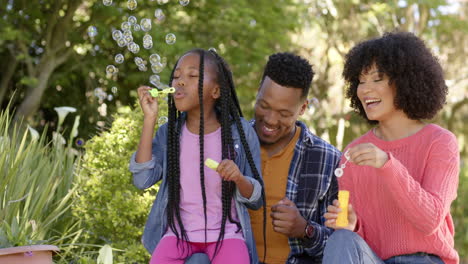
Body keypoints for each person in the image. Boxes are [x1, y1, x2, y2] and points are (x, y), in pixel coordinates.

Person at [323, 31, 460, 264]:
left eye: (377, 79)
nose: (365, 89)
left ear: (406, 81)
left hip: (425, 260)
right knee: (341, 239)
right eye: (360, 81)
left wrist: (387, 165)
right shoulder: (354, 153)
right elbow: (363, 239)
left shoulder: (440, 142)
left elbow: (430, 221)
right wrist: (353, 225)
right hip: (375, 259)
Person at [129, 48, 265, 264]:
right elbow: (141, 179)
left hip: (226, 235)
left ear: (216, 91)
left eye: (192, 76)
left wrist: (239, 178)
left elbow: (256, 200)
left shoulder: (239, 133)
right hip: (178, 235)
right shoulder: (170, 133)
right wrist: (150, 119)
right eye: (176, 76)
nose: (180, 81)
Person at [249, 52, 341, 263]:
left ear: (302, 108)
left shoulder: (328, 160)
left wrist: (304, 229)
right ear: (257, 93)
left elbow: (341, 245)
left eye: (283, 114)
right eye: (264, 106)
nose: (270, 120)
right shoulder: (230, 144)